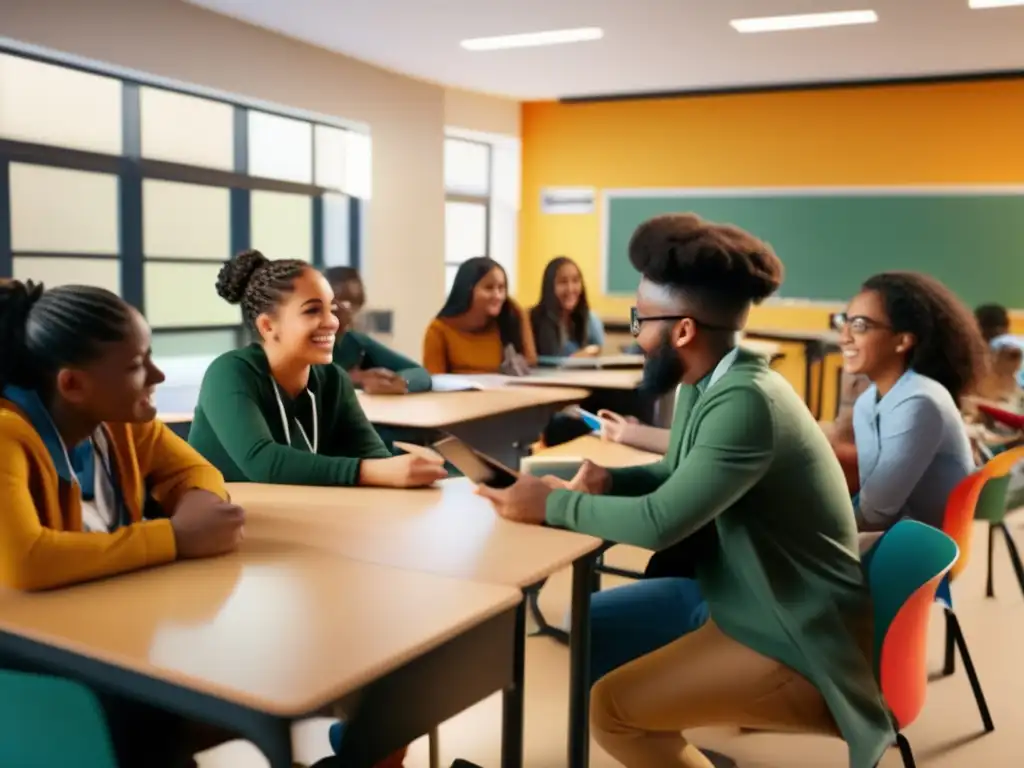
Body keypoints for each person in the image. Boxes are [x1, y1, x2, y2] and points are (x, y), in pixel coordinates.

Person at [478, 214, 893, 768]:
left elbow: (661, 523)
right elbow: (677, 473)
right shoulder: (711, 380)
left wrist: (551, 504)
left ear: (683, 331)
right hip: (747, 601)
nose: (635, 335)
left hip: (793, 634)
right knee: (596, 634)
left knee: (612, 708)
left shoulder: (747, 402)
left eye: (640, 319)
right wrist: (608, 480)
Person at [0, 279, 245, 768]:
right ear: (73, 384)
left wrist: (197, 502)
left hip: (105, 638)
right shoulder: (7, 433)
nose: (156, 373)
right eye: (136, 365)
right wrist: (174, 537)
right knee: (158, 720)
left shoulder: (122, 422)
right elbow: (27, 561)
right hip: (26, 662)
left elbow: (198, 471)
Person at [188, 250, 447, 489]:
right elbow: (263, 462)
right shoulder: (229, 373)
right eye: (313, 310)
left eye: (331, 308)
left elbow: (373, 456)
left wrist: (406, 471)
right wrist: (372, 472)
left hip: (299, 518)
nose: (332, 322)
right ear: (267, 326)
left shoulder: (333, 379)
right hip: (221, 526)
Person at [836, 272, 985, 532]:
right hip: (893, 534)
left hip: (913, 553)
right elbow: (870, 497)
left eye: (860, 325)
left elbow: (875, 514)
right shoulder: (868, 402)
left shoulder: (920, 403)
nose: (844, 337)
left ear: (903, 341)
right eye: (844, 322)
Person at [325, 266, 431, 394]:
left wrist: (400, 383)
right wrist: (351, 378)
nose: (348, 314)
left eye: (354, 306)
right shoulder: (305, 341)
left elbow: (420, 373)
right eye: (339, 305)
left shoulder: (355, 341)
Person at [422, 256, 536, 375]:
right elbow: (434, 380)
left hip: (500, 392)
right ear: (467, 289)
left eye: (501, 288)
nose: (497, 296)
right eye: (489, 288)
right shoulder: (439, 330)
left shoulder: (503, 322)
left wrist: (520, 313)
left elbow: (531, 361)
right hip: (458, 393)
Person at [529, 256, 604, 358]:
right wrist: (573, 359)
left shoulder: (591, 320)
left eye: (576, 281)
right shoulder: (533, 321)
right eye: (563, 282)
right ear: (550, 287)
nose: (570, 289)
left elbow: (600, 355)